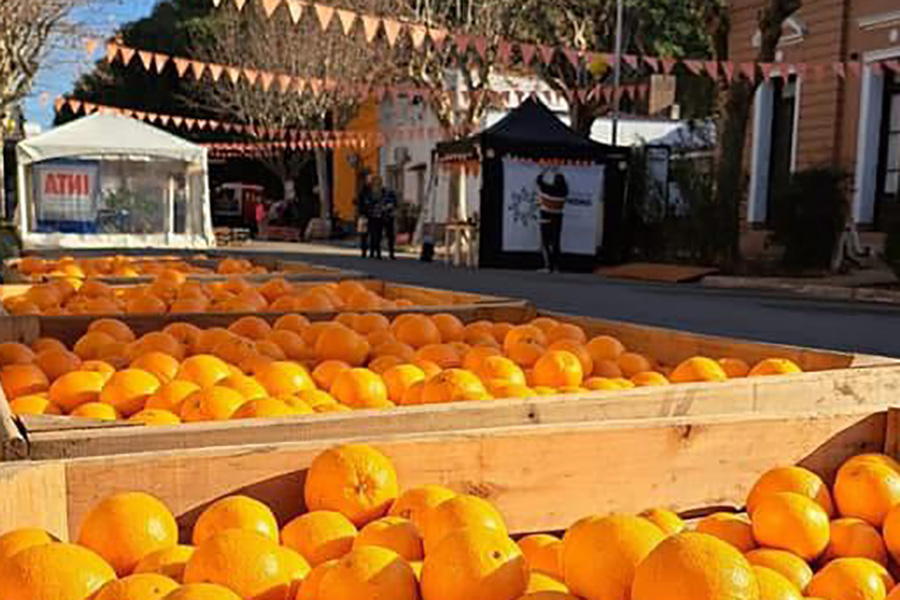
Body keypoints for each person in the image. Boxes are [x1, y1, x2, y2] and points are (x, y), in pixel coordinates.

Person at [536, 171, 568, 273]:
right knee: (556, 243)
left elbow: (539, 182)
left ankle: (548, 266)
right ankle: (556, 266)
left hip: (546, 217)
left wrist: (542, 172)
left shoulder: (549, 189)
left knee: (546, 242)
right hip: (558, 218)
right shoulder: (564, 191)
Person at [356, 176, 372, 258]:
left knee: (372, 233)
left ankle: (372, 251)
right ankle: (364, 251)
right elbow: (359, 204)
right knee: (364, 234)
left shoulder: (375, 191)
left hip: (373, 215)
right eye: (369, 181)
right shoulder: (362, 192)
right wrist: (361, 213)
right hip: (364, 215)